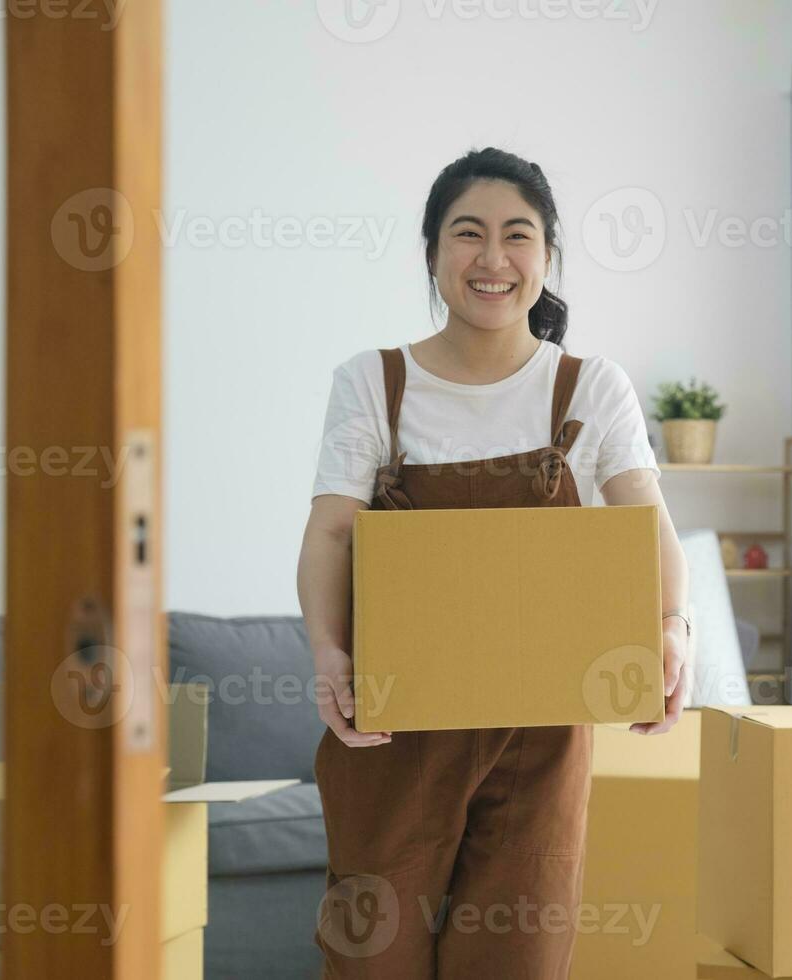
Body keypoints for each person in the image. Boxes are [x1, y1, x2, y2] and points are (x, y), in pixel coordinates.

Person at [296, 146, 691, 978]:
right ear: (433, 253)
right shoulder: (374, 383)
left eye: (518, 235)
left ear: (546, 257)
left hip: (538, 742)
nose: (492, 258)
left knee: (517, 958)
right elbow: (332, 533)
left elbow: (649, 524)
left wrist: (671, 627)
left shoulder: (590, 387)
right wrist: (329, 655)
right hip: (390, 731)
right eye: (466, 234)